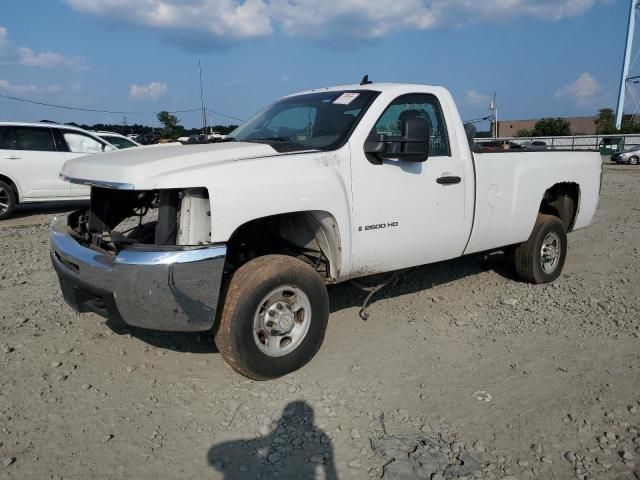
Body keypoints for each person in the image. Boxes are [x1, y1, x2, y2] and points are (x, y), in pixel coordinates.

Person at [208, 400, 338, 479]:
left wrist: (269, 439)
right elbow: (330, 470)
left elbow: (255, 444)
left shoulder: (320, 437)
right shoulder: (322, 437)